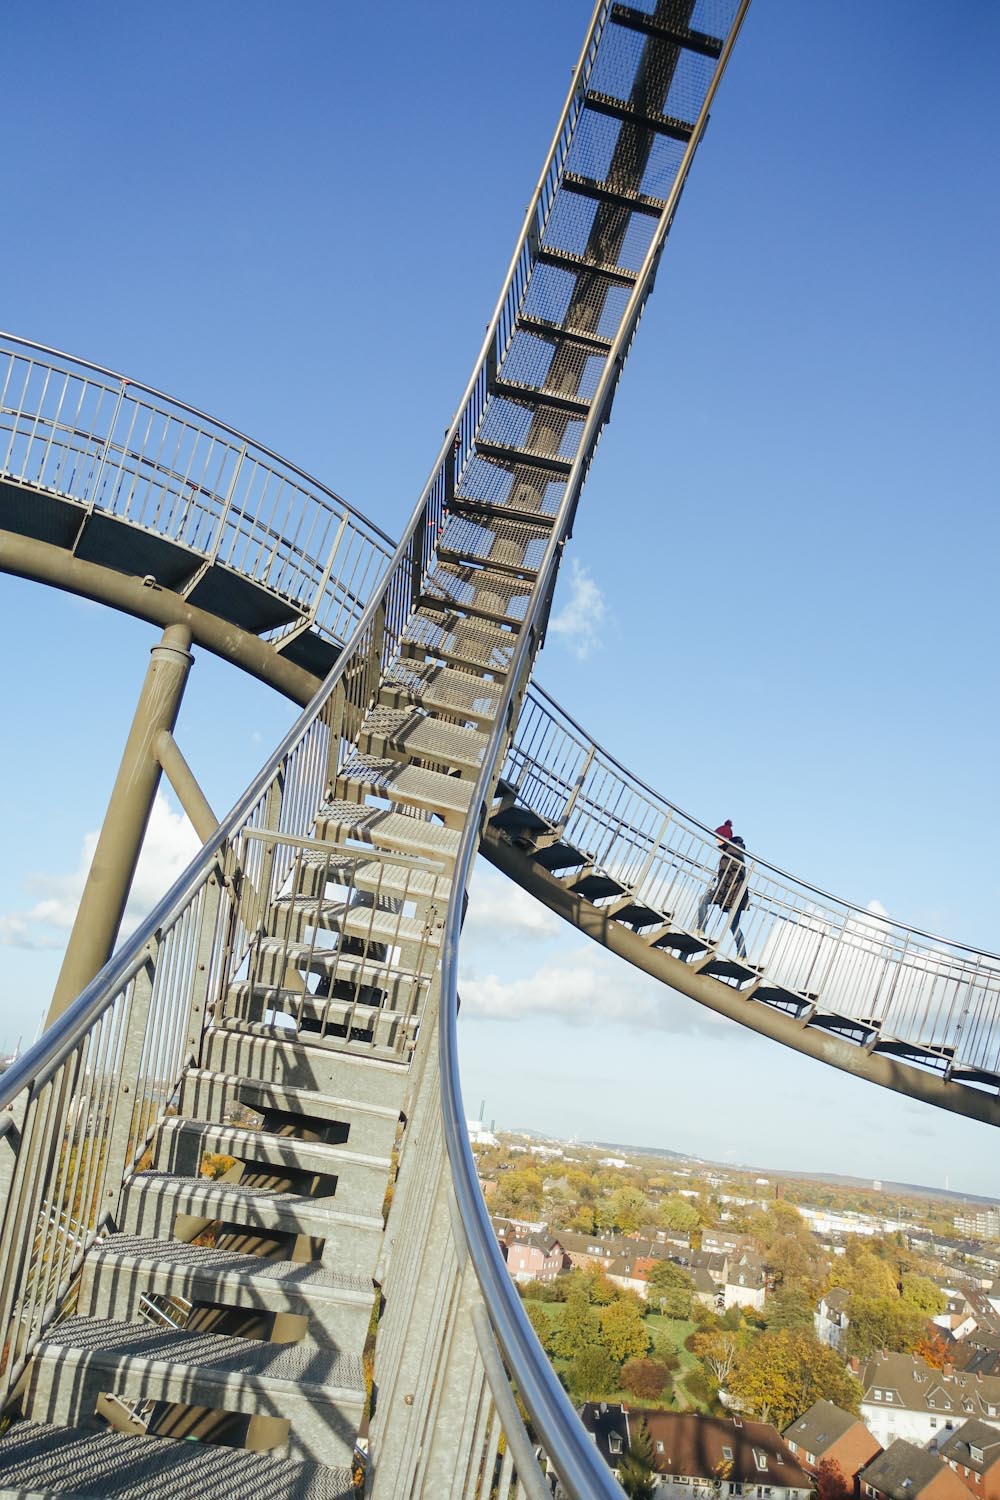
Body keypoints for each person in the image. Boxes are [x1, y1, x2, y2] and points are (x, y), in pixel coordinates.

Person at [695, 822, 749, 959]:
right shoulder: (729, 851)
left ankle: (701, 929)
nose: (716, 840)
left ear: (725, 838)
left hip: (734, 894)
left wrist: (722, 889)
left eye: (718, 837)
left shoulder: (733, 852)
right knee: (733, 924)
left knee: (733, 925)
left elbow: (737, 873)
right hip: (726, 892)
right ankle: (700, 930)